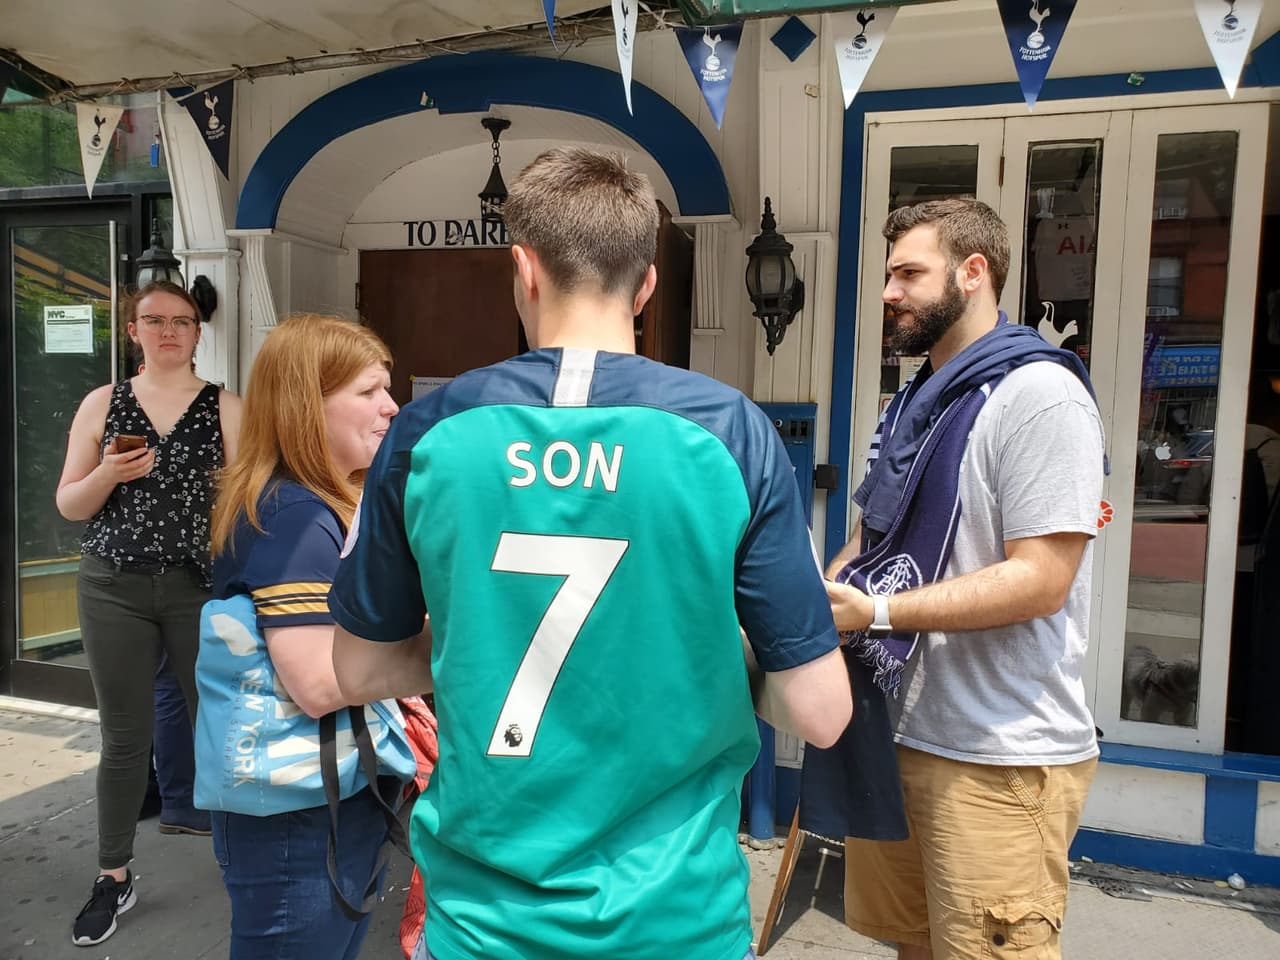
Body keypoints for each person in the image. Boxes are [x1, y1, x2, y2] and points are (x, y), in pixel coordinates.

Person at [328, 147, 852, 960]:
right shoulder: (729, 433)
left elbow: (359, 671)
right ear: (645, 286)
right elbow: (821, 713)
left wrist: (482, 644)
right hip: (676, 922)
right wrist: (699, 652)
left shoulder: (429, 432)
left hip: (484, 926)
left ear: (523, 270)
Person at [824, 198, 1105, 960]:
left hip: (1000, 757)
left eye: (908, 273)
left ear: (973, 272)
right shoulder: (916, 399)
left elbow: (1042, 579)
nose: (889, 292)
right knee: (912, 947)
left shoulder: (1043, 398)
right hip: (900, 732)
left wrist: (877, 611)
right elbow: (870, 535)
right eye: (888, 275)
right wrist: (825, 599)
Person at [199, 313, 406, 960]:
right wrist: (456, 655)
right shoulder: (294, 519)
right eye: (368, 391)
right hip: (297, 819)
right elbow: (317, 683)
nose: (391, 406)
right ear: (305, 405)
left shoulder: (315, 505)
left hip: (325, 798)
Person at [56, 280, 241, 947]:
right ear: (132, 331)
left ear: (198, 333)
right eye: (154, 320)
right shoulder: (103, 403)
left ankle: (242, 858)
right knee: (124, 737)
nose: (169, 331)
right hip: (112, 585)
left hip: (196, 586)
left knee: (218, 726)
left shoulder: (227, 407)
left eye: (182, 321)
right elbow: (71, 504)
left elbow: (250, 505)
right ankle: (113, 876)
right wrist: (110, 474)